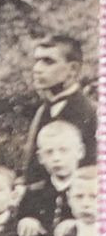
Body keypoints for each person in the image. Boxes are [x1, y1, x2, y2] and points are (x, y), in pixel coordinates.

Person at [20, 35, 95, 181]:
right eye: (37, 61)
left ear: (73, 69)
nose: (37, 69)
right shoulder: (43, 110)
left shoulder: (91, 113)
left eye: (48, 62)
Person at [16, 120, 85, 236]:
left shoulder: (91, 190)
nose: (56, 158)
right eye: (49, 152)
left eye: (63, 150)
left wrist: (80, 225)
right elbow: (21, 218)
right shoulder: (33, 192)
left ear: (80, 152)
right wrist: (26, 220)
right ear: (40, 157)